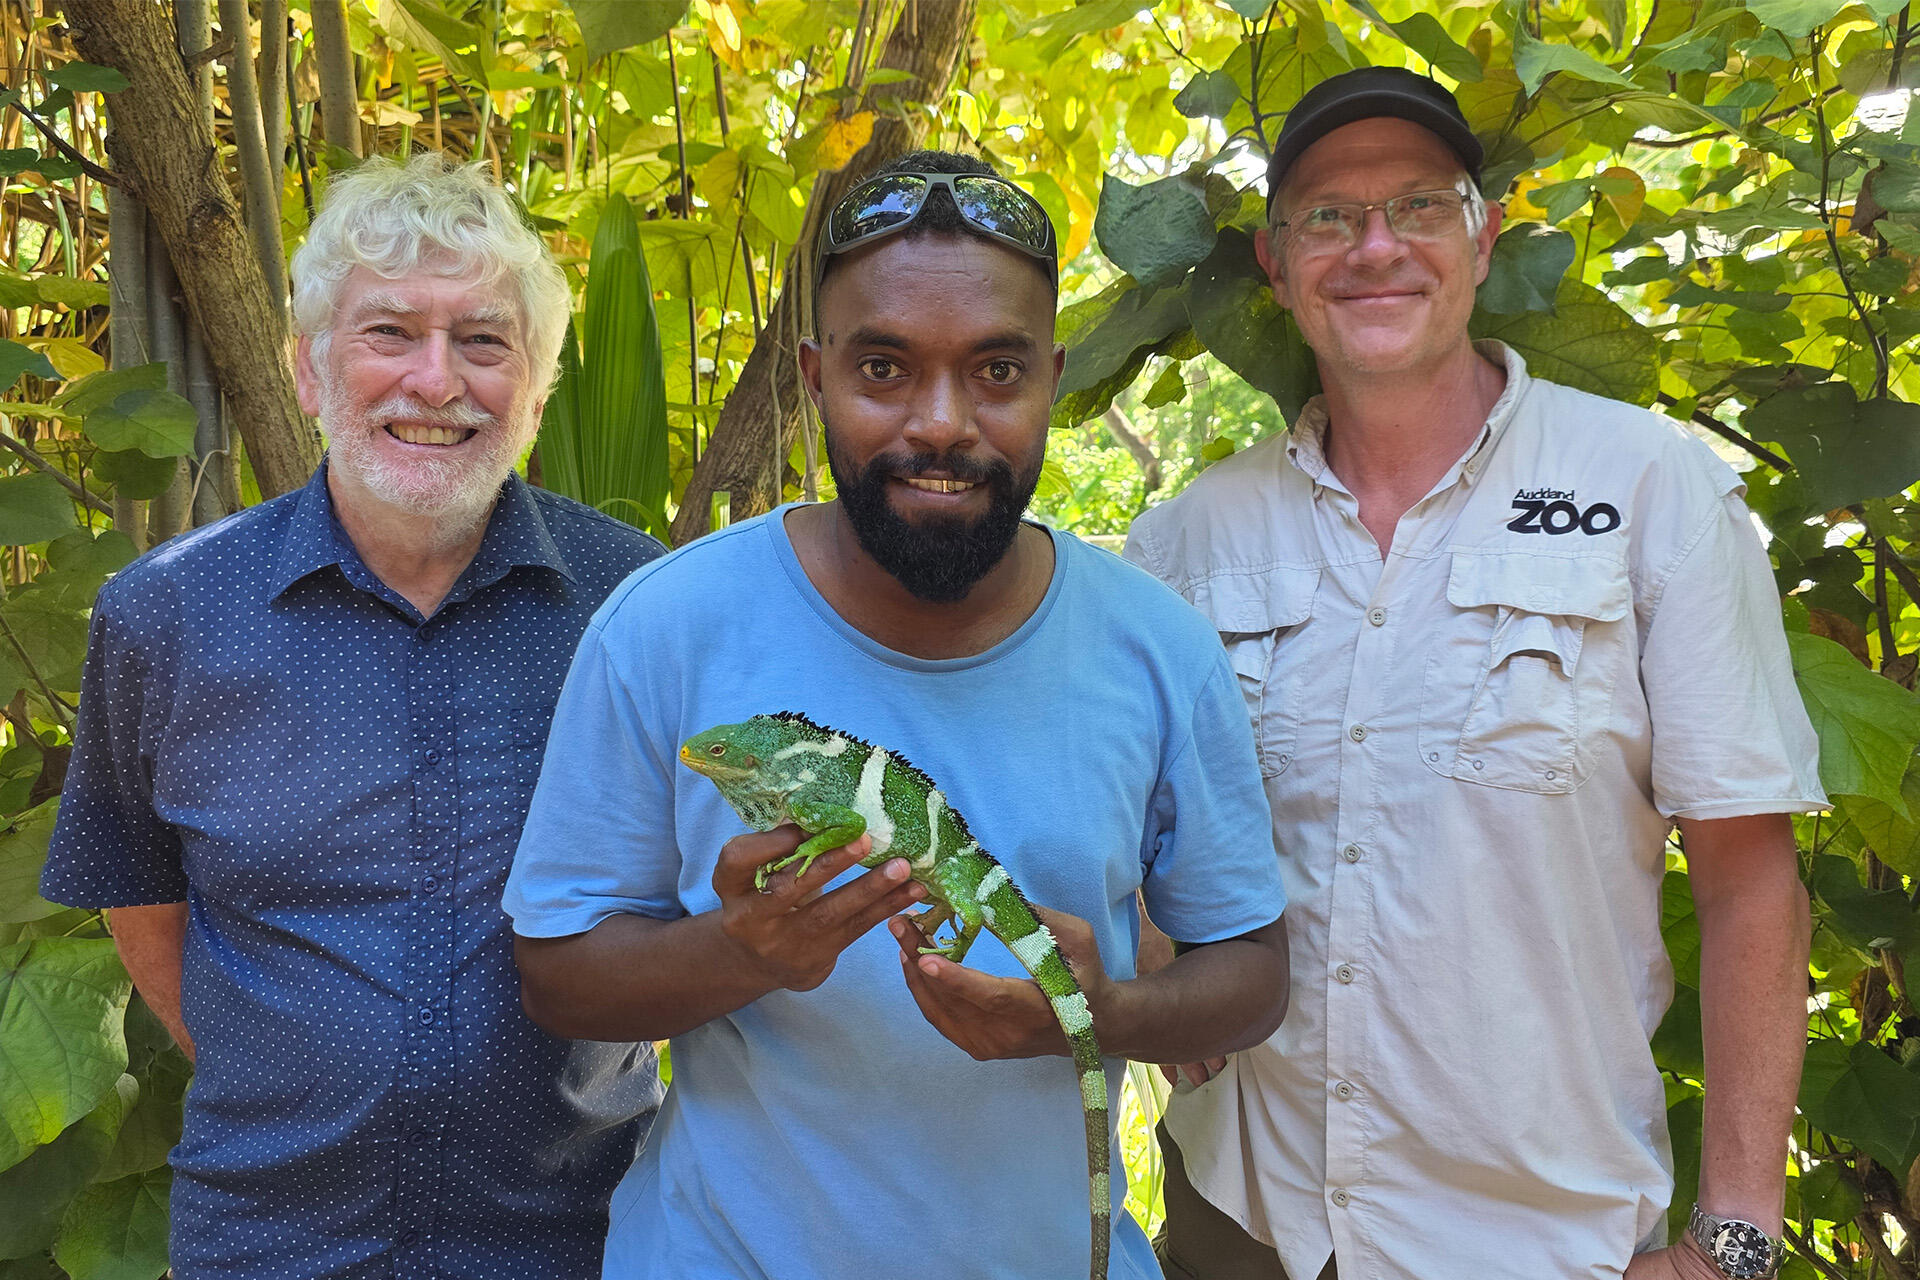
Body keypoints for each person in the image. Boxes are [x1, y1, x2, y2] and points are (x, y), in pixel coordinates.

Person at [504, 149, 1290, 1280]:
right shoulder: (665, 625)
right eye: (884, 368)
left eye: (996, 370)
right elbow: (555, 973)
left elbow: (1252, 973)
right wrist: (741, 950)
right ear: (815, 378)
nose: (941, 422)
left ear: (1053, 379)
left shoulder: (1159, 647)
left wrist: (1103, 1009)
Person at [1124, 66, 1823, 1280]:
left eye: (1420, 205)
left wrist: (1735, 1239)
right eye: (1329, 215)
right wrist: (1145, 933)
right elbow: (1135, 815)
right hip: (1248, 1214)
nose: (1375, 246)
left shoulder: (1647, 489)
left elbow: (1749, 877)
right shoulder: (1193, 536)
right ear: (1276, 264)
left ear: (1483, 237)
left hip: (1534, 1230)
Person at [40, 153, 665, 1280]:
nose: (436, 381)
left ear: (536, 388)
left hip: (579, 1240)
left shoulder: (639, 605)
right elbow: (140, 893)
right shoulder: (167, 614)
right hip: (268, 1238)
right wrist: (289, 1081)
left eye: (484, 341)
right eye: (390, 333)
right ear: (309, 368)